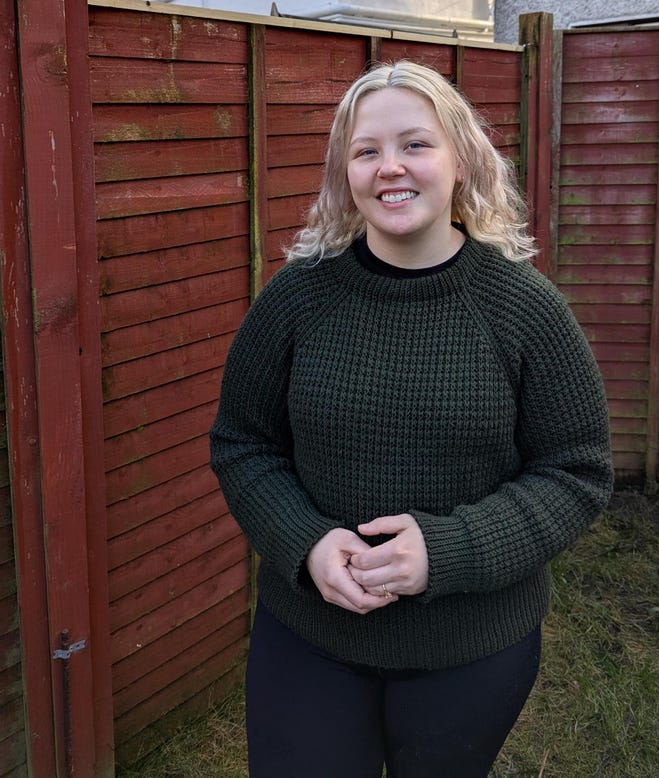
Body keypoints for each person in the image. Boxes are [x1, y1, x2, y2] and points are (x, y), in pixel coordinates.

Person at [210, 60, 613, 778]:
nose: (390, 167)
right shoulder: (296, 299)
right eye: (367, 151)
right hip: (308, 639)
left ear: (461, 160)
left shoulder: (525, 309)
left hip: (471, 649)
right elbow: (244, 443)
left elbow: (575, 472)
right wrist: (304, 542)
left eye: (416, 144)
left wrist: (446, 550)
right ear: (345, 174)